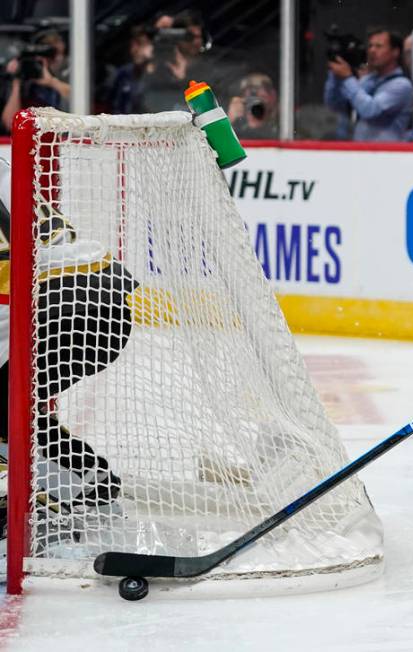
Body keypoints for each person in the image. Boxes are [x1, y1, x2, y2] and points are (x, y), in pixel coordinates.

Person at [0, 157, 132, 572]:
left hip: (57, 303)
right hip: (105, 293)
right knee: (12, 411)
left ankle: (36, 506)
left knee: (6, 412)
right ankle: (92, 483)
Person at [324, 27, 413, 142]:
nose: (372, 50)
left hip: (387, 156)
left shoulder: (402, 85)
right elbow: (335, 104)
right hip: (362, 154)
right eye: (370, 46)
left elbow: (370, 110)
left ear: (395, 52)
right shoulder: (368, 80)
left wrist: (347, 78)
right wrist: (335, 76)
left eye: (378, 46)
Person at [1, 30, 71, 133]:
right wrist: (17, 82)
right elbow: (10, 124)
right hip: (32, 137)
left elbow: (82, 103)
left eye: (58, 54)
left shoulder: (67, 75)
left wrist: (52, 82)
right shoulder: (22, 80)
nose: (57, 60)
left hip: (63, 136)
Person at [108, 24, 157, 115]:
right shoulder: (123, 74)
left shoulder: (165, 75)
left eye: (140, 44)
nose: (134, 50)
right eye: (132, 44)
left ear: (153, 47)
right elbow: (114, 107)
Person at [227, 73, 279, 140]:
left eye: (262, 98)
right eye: (249, 100)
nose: (254, 106)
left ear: (272, 97)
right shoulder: (237, 129)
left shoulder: (286, 125)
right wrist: (229, 120)